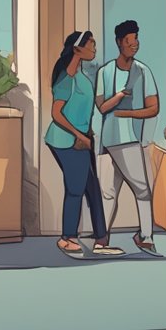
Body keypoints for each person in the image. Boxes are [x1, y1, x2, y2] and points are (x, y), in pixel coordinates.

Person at [45, 31, 125, 258]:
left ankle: (101, 240)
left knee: (92, 188)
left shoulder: (83, 77)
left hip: (83, 140)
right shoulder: (65, 79)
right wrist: (78, 135)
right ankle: (67, 238)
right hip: (64, 140)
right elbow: (56, 114)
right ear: (77, 49)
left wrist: (87, 137)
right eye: (91, 45)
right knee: (76, 188)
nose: (95, 49)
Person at [94, 19, 159, 255]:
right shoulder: (105, 72)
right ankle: (142, 238)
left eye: (136, 40)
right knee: (128, 191)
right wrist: (121, 96)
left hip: (130, 137)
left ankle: (138, 237)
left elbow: (153, 108)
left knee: (126, 191)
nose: (134, 45)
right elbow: (101, 107)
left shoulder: (143, 71)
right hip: (110, 140)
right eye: (129, 41)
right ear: (119, 43)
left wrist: (128, 113)